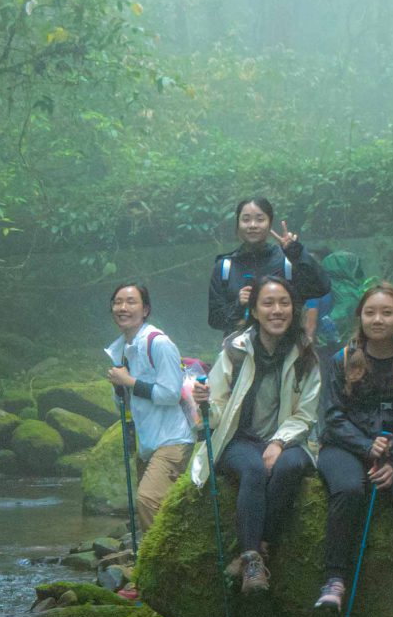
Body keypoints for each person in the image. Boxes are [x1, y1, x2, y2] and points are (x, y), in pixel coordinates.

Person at [310, 282, 393, 617]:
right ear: (360, 317)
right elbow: (332, 417)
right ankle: (334, 580)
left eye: (386, 312)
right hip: (343, 447)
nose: (377, 319)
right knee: (350, 488)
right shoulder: (341, 359)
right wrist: (367, 447)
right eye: (370, 312)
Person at [191, 275, 320, 593]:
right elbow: (219, 408)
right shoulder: (234, 352)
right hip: (241, 438)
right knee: (253, 468)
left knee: (288, 467)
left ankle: (258, 549)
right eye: (268, 303)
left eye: (284, 303)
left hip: (289, 437)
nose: (277, 310)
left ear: (294, 309)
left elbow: (306, 414)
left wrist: (279, 442)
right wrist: (204, 406)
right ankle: (252, 561)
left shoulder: (306, 355)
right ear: (256, 311)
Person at [103, 281, 190, 530]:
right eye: (118, 302)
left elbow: (171, 393)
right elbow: (124, 402)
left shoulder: (158, 343)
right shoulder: (121, 349)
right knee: (159, 507)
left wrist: (129, 381)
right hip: (147, 442)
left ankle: (159, 564)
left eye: (131, 302)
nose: (123, 307)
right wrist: (119, 388)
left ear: (146, 310)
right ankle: (161, 560)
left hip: (172, 439)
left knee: (148, 499)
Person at [205, 197, 332, 342]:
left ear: (270, 223)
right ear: (238, 225)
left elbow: (321, 288)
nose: (253, 225)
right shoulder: (225, 267)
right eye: (246, 219)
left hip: (285, 353)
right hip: (239, 355)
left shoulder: (287, 262)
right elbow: (215, 320)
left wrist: (296, 253)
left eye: (260, 219)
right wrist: (238, 305)